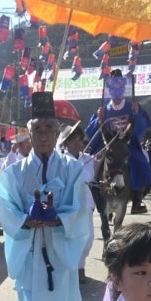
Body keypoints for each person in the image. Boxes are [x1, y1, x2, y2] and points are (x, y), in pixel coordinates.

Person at [0, 91, 90, 301]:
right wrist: (25, 221)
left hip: (58, 242)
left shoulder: (72, 169)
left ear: (58, 132)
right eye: (37, 129)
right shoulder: (15, 172)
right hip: (29, 244)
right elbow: (6, 204)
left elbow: (79, 208)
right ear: (29, 132)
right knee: (27, 293)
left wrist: (58, 220)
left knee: (55, 292)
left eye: (49, 128)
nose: (43, 135)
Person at [86, 69, 151, 215]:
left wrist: (139, 112)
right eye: (113, 88)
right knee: (92, 168)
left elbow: (141, 126)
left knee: (142, 166)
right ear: (109, 90)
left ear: (124, 89)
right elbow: (91, 132)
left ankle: (137, 200)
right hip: (107, 145)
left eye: (120, 88)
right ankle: (92, 196)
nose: (117, 91)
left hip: (127, 145)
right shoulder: (104, 109)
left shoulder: (132, 107)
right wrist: (98, 120)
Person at [59, 121, 96, 284]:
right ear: (66, 143)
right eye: (74, 139)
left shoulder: (87, 159)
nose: (78, 142)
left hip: (86, 204)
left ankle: (80, 266)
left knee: (88, 238)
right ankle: (73, 270)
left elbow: (90, 178)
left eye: (80, 139)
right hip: (69, 205)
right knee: (71, 238)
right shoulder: (60, 161)